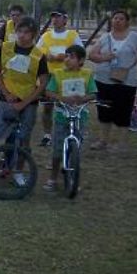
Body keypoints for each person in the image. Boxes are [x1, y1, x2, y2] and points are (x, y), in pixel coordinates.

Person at [0, 16, 49, 187]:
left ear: (34, 34)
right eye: (19, 31)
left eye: (26, 32)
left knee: (24, 139)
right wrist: (6, 93)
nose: (22, 35)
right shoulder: (5, 48)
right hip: (7, 100)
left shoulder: (39, 56)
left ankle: (18, 171)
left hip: (28, 103)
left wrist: (25, 102)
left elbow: (42, 83)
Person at [88, 10, 137, 150]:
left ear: (127, 22)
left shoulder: (134, 37)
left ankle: (122, 143)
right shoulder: (105, 37)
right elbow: (92, 55)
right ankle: (103, 140)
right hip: (104, 80)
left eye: (121, 18)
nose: (117, 21)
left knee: (123, 111)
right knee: (104, 111)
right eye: (115, 18)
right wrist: (104, 58)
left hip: (126, 81)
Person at [43, 45, 97, 192]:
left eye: (71, 57)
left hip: (80, 116)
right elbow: (49, 91)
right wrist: (60, 98)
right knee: (57, 150)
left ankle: (74, 177)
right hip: (62, 116)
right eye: (66, 56)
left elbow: (93, 93)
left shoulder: (87, 74)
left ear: (81, 60)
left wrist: (84, 98)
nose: (67, 59)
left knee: (76, 150)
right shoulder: (57, 73)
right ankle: (53, 178)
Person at [36, 9, 83, 147]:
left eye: (58, 17)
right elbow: (37, 52)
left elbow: (81, 52)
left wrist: (62, 57)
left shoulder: (72, 35)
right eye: (53, 17)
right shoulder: (46, 36)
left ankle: (70, 133)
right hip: (50, 76)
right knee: (47, 107)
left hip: (67, 75)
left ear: (65, 19)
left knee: (68, 106)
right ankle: (47, 134)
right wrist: (46, 56)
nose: (55, 19)